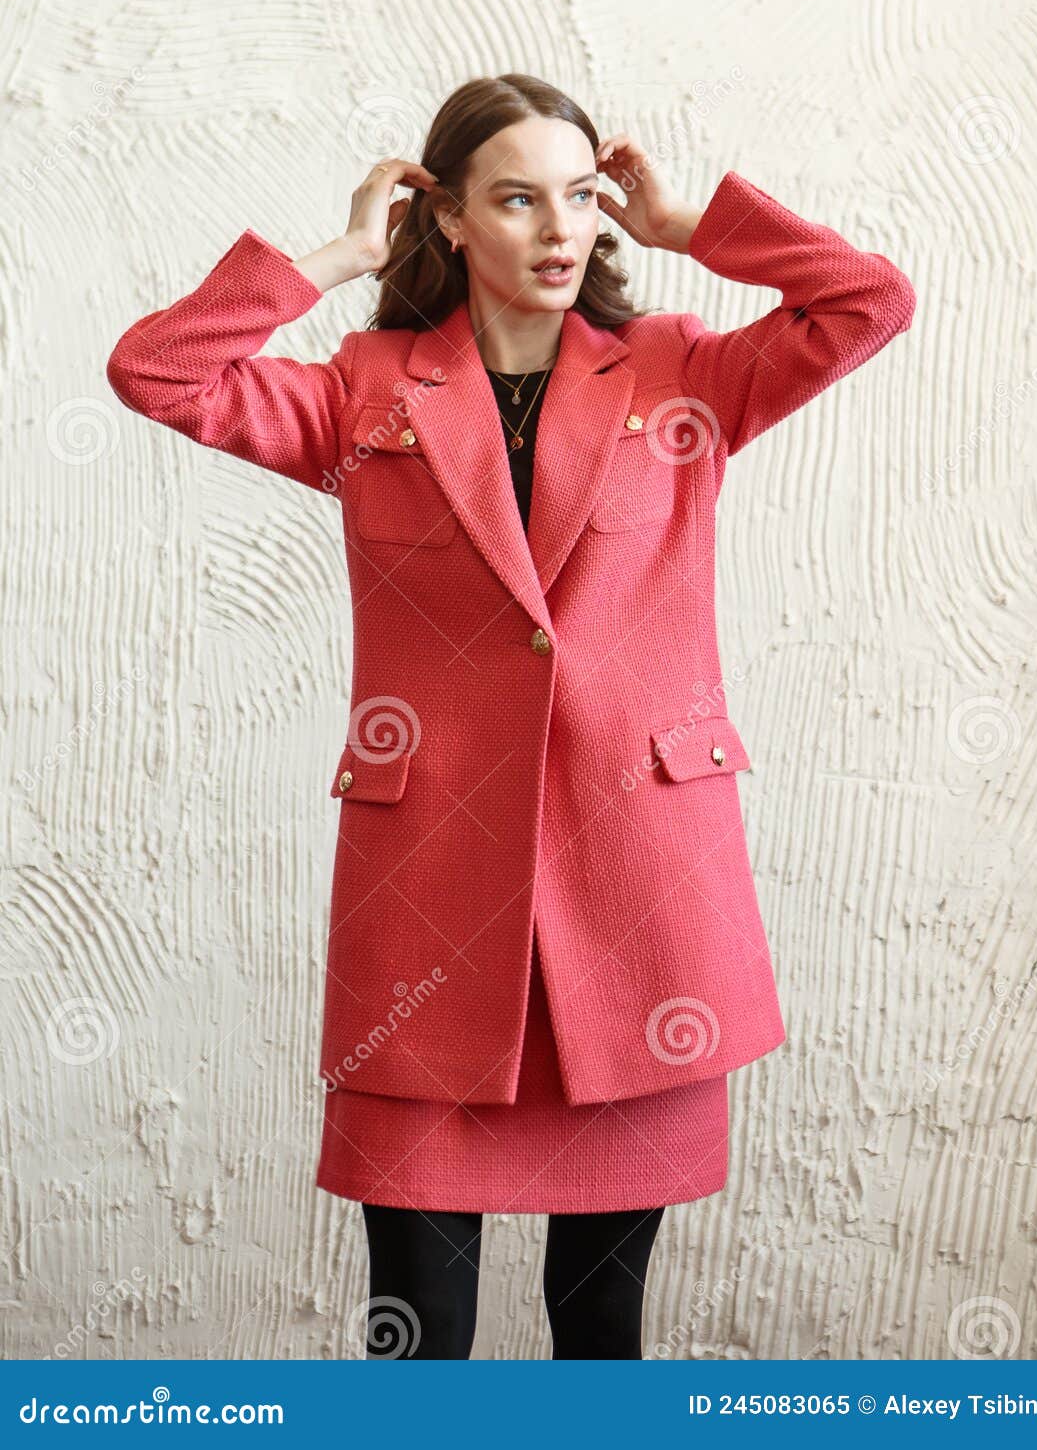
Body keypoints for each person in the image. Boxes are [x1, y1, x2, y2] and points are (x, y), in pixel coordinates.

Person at [106, 73, 916, 1359]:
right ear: (449, 220)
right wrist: (334, 256)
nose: (558, 228)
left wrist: (694, 226)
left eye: (579, 196)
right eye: (518, 197)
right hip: (430, 914)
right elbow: (157, 370)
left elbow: (868, 301)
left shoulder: (680, 374)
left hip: (636, 911)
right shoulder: (364, 390)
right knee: (418, 1337)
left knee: (598, 1323)